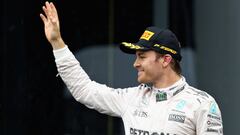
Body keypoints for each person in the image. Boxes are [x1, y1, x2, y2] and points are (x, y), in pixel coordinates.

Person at [40, 1, 223, 135]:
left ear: (166, 60)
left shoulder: (202, 104)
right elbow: (84, 90)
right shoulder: (132, 98)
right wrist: (57, 43)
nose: (135, 64)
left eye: (142, 57)